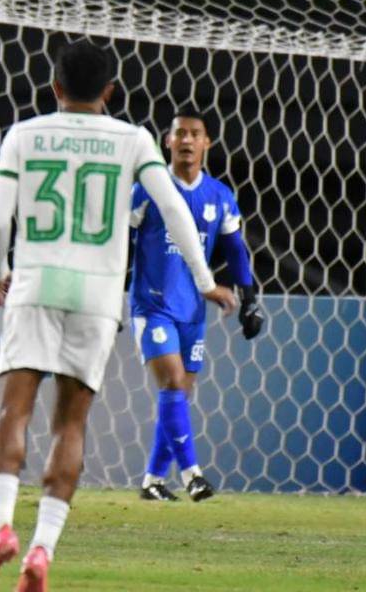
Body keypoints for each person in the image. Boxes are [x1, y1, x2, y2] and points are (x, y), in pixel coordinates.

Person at [0, 40, 237, 591]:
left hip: (35, 284)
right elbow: (175, 211)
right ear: (109, 92)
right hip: (98, 297)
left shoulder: (24, 134)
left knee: (13, 412)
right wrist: (206, 281)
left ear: (55, 87)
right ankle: (41, 552)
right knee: (71, 423)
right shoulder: (133, 139)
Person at [129, 111, 264, 503]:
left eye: (195, 134)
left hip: (193, 312)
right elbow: (122, 240)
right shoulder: (147, 190)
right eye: (179, 134)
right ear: (167, 142)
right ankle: (193, 475)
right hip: (152, 306)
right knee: (171, 380)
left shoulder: (219, 196)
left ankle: (153, 480)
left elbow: (235, 249)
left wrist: (249, 297)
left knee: (179, 395)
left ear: (207, 143)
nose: (187, 140)